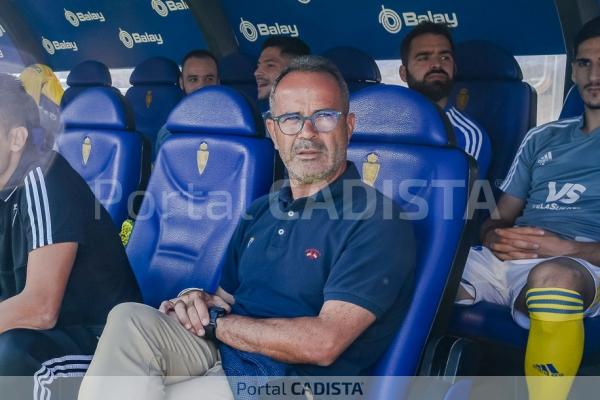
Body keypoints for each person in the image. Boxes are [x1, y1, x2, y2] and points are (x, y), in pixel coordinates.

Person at [78, 56, 415, 400]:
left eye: (324, 117)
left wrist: (217, 323)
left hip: (293, 381)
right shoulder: (261, 211)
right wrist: (197, 301)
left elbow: (324, 343)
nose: (307, 133)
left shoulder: (376, 220)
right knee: (128, 319)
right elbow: (225, 299)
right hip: (226, 352)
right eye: (291, 119)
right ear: (273, 131)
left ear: (349, 125)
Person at [455, 17, 600, 400]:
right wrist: (494, 236)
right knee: (414, 271)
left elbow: (562, 260)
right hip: (506, 260)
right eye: (585, 63)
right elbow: (501, 215)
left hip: (579, 265)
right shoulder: (542, 138)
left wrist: (567, 249)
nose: (594, 75)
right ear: (573, 70)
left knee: (555, 280)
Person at [0, 74, 141, 396]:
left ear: (17, 139)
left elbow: (40, 309)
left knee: (12, 354)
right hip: (49, 335)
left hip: (104, 341)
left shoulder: (43, 177)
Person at [400, 22, 492, 179]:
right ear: (403, 73)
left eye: (445, 57)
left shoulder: (468, 135)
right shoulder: (384, 124)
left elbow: (456, 201)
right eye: (423, 58)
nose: (437, 64)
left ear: (454, 69)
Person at [154, 49, 220, 157]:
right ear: (181, 83)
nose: (201, 87)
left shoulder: (238, 128)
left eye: (209, 79)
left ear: (218, 82)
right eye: (193, 79)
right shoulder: (168, 132)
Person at [255, 36, 310, 111]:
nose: (257, 73)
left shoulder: (317, 113)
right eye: (258, 66)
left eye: (270, 65)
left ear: (297, 71)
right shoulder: (254, 114)